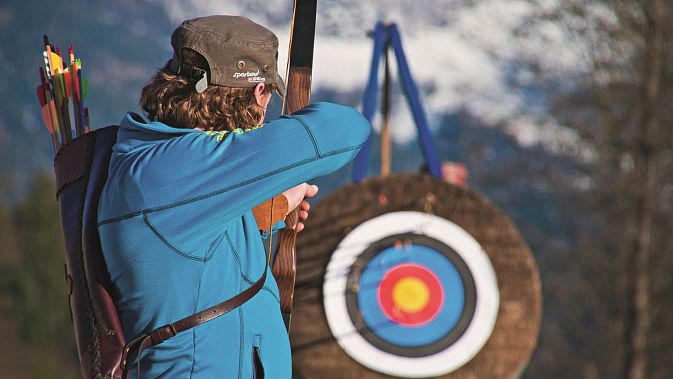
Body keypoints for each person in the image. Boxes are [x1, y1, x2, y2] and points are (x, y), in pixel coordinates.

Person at [97, 15, 371, 378]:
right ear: (259, 91)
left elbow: (191, 263)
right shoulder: (183, 165)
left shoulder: (158, 160)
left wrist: (260, 213)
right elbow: (346, 129)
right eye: (269, 94)